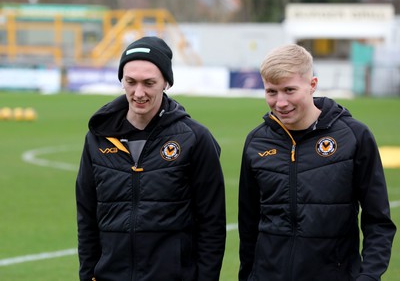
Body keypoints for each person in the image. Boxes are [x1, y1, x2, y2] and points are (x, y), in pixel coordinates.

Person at [238, 44, 396, 281]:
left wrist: (369, 276)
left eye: (289, 90)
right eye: (271, 92)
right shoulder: (256, 142)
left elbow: (378, 221)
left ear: (312, 85)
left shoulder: (354, 136)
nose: (280, 102)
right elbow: (248, 226)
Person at [76, 36, 226, 281]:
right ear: (121, 81)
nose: (139, 92)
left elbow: (212, 224)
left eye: (149, 83)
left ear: (166, 82)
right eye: (131, 82)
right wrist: (87, 275)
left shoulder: (195, 139)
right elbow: (86, 217)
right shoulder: (97, 139)